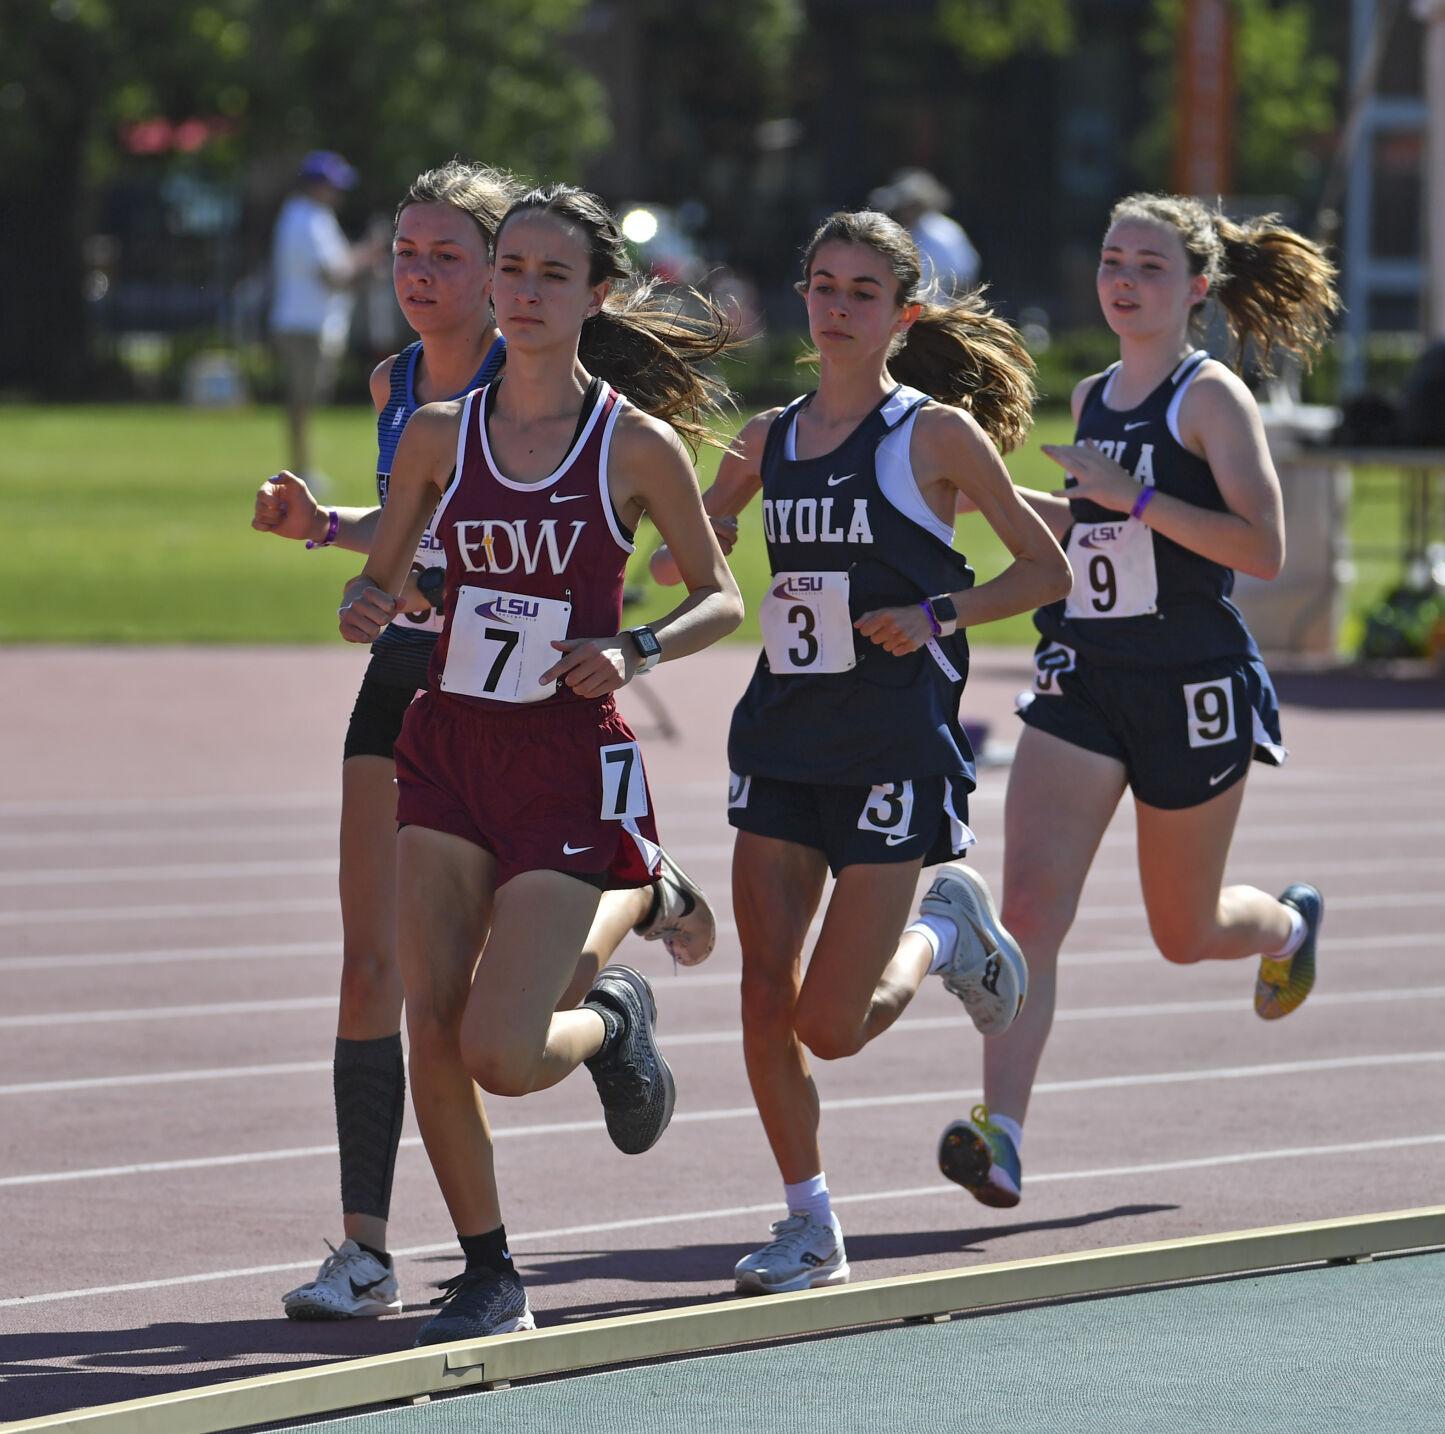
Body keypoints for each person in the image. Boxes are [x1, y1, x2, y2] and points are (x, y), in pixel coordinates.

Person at [254, 163, 718, 1323]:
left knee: (500, 1052)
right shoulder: (426, 425)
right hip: (445, 737)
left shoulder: (632, 444)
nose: (517, 292)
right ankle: (482, 1267)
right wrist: (360, 591)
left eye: (546, 274)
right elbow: (390, 574)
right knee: (425, 1007)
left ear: (598, 295)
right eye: (508, 267)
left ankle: (615, 1000)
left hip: (561, 753)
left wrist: (637, 648)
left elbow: (719, 597)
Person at [653, 209, 1071, 1293]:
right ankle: (808, 1223)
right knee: (760, 993)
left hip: (892, 745)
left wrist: (937, 614)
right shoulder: (764, 437)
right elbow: (697, 549)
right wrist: (691, 547)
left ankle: (944, 933)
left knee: (828, 1028)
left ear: (901, 315)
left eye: (859, 294)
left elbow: (1043, 572)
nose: (834, 309)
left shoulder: (929, 437)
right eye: (821, 287)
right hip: (784, 735)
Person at [942, 193, 1340, 1210]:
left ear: (1196, 288)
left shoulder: (1210, 401)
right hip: (1085, 674)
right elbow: (1092, 538)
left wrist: (1139, 501)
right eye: (1112, 261)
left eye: (1150, 267)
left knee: (1183, 929)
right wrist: (977, 495)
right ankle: (1001, 1135)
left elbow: (1260, 546)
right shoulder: (1089, 396)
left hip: (1190, 684)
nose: (1123, 281)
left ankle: (1285, 929)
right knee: (1029, 905)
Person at [269, 150, 389, 480]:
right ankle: (301, 469)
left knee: (307, 400)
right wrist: (369, 253)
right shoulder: (306, 219)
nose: (338, 193)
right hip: (303, 323)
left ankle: (303, 466)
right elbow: (332, 275)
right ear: (316, 185)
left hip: (309, 322)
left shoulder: (312, 217)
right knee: (302, 402)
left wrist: (363, 257)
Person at [868, 169, 980, 296]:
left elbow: (965, 282)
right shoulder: (891, 232)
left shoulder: (943, 235)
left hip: (937, 311)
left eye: (911, 205)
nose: (906, 211)